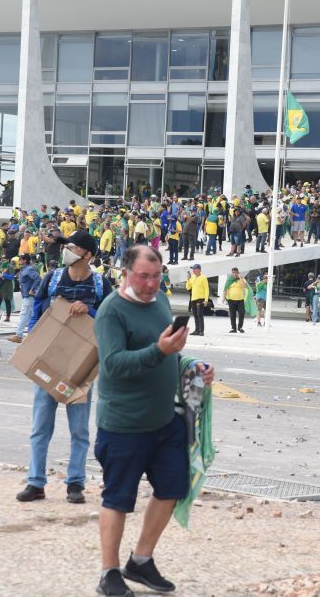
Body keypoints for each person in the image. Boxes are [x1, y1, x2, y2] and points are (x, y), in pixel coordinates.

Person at [92, 244, 215, 596]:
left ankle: (141, 561)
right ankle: (109, 573)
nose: (150, 283)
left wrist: (193, 366)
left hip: (164, 422)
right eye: (143, 276)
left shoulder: (161, 301)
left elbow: (167, 354)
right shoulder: (111, 311)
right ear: (126, 273)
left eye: (156, 276)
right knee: (118, 498)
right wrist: (159, 350)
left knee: (173, 488)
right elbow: (114, 364)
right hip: (124, 426)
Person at [16, 230, 112, 505]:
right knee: (40, 426)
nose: (67, 250)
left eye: (73, 247)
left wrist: (90, 311)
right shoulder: (53, 277)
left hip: (81, 364)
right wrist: (32, 340)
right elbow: (38, 307)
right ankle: (35, 483)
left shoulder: (100, 284)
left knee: (79, 429)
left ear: (88, 255)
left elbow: (111, 316)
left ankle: (75, 483)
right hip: (49, 360)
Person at [9, 254, 42, 343]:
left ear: (25, 260)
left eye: (20, 259)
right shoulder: (23, 269)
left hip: (29, 296)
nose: (19, 260)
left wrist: (32, 289)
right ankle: (31, 335)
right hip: (27, 296)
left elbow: (38, 278)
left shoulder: (28, 269)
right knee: (30, 316)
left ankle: (19, 335)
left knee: (24, 315)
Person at [185, 263, 209, 337]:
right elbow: (188, 288)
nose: (193, 270)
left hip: (201, 298)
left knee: (199, 314)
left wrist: (206, 300)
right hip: (193, 299)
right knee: (195, 315)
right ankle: (197, 330)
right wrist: (188, 279)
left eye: (194, 269)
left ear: (199, 269)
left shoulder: (203, 277)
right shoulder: (192, 277)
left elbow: (207, 289)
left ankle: (201, 331)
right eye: (193, 269)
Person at [223, 267, 247, 333]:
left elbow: (244, 286)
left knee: (241, 313)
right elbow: (225, 289)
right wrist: (223, 298)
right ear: (231, 273)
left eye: (236, 272)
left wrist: (240, 278)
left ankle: (240, 327)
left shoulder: (241, 279)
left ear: (238, 272)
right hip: (231, 300)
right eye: (233, 272)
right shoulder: (229, 280)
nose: (234, 274)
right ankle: (234, 328)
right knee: (232, 314)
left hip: (240, 300)